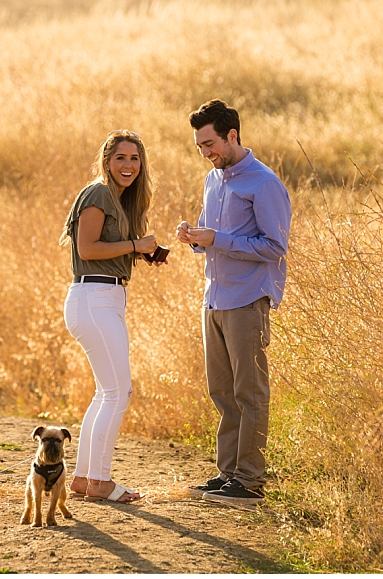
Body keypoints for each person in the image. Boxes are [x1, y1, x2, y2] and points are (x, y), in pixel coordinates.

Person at [176, 99, 291, 505]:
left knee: (250, 392)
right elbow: (215, 239)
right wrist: (195, 238)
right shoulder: (214, 180)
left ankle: (250, 482)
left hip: (247, 300)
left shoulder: (264, 183)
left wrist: (217, 240)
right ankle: (229, 474)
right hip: (214, 298)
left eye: (209, 145)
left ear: (232, 136)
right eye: (199, 147)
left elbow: (275, 247)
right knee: (222, 392)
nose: (205, 154)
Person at [61, 129, 166, 503]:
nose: (128, 165)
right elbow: (87, 248)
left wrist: (137, 254)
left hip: (105, 296)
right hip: (94, 296)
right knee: (118, 393)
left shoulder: (119, 201)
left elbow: (104, 247)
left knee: (106, 393)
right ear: (107, 161)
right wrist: (136, 244)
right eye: (121, 158)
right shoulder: (99, 193)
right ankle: (101, 483)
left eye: (135, 159)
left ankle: (84, 478)